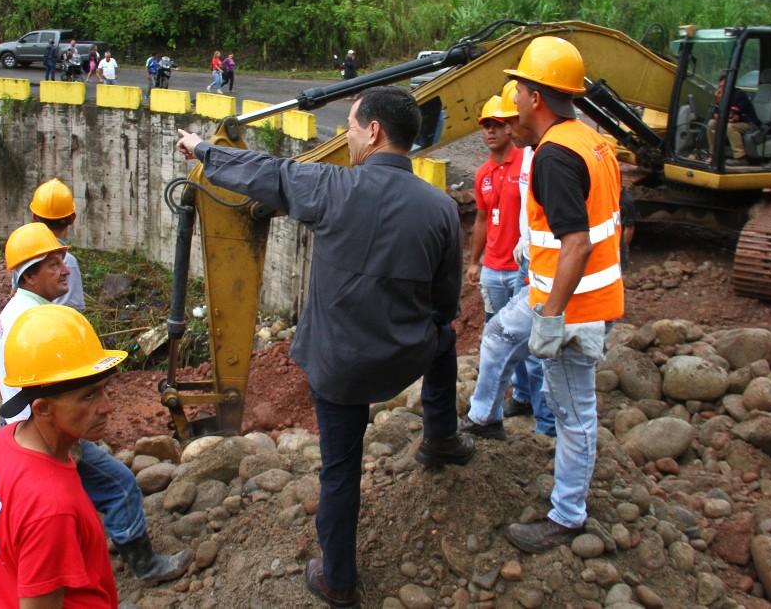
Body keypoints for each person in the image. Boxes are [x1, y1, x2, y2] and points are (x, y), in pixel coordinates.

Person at [177, 85, 473, 608]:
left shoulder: (332, 187)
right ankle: (441, 438)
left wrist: (204, 151)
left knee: (340, 472)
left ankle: (338, 581)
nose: (347, 136)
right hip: (405, 358)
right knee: (445, 338)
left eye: (351, 127)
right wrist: (423, 331)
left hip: (338, 371)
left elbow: (268, 174)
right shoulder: (442, 209)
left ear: (374, 132)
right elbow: (446, 300)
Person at [473, 37, 624, 554]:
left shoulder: (556, 156)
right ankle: (484, 419)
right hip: (549, 291)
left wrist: (553, 318)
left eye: (518, 87)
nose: (511, 96)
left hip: (572, 306)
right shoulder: (589, 139)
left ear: (537, 95)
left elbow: (577, 243)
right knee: (497, 334)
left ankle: (567, 516)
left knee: (573, 414)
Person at [0, 223, 191, 586]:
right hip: (45, 433)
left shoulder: (17, 313)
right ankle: (145, 567)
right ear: (30, 275)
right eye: (53, 264)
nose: (65, 269)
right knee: (119, 485)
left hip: (29, 430)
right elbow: (49, 393)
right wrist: (65, 447)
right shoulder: (35, 321)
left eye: (61, 261)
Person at [0, 304, 187, 608]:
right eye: (88, 395)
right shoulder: (51, 509)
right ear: (43, 409)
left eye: (104, 389)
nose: (107, 407)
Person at [462, 88, 554, 440]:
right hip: (494, 268)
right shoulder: (483, 173)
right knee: (504, 336)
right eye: (486, 125)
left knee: (525, 343)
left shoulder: (529, 162)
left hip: (522, 267)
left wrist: (527, 249)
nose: (491, 131)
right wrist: (475, 261)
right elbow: (482, 219)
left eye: (498, 125)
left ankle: (538, 416)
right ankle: (522, 397)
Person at [30, 178, 85, 312]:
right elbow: (71, 314)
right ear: (72, 218)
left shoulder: (24, 255)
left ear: (35, 217)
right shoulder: (67, 262)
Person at [708, 73, 758, 164]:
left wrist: (726, 117)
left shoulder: (739, 95)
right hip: (731, 122)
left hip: (749, 124)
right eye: (719, 87)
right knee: (711, 124)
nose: (721, 89)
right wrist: (719, 101)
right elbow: (716, 116)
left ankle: (740, 157)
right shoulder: (721, 97)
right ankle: (714, 153)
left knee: (730, 126)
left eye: (723, 86)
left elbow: (733, 117)